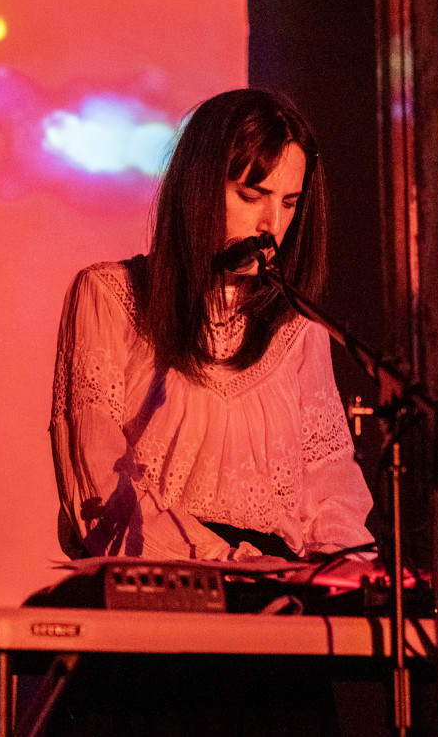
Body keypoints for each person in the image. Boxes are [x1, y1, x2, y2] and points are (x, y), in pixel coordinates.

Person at [50, 88, 374, 563]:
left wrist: (344, 572)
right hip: (161, 580)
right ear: (199, 186)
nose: (272, 225)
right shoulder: (109, 296)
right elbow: (96, 482)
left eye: (289, 202)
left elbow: (332, 491)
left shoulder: (300, 331)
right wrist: (225, 560)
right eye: (251, 195)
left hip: (278, 591)